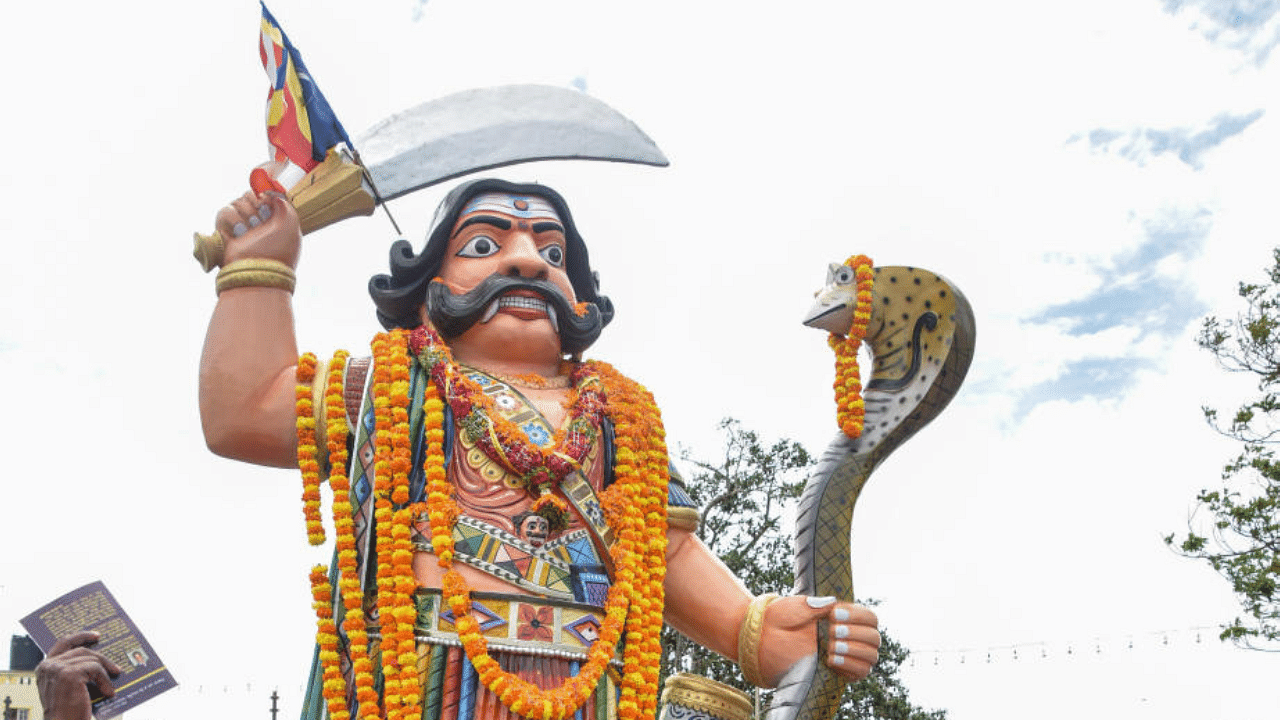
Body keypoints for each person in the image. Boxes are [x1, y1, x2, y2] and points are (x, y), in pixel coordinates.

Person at [203, 177, 878, 720]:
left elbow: (661, 549)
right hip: (412, 676)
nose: (526, 260)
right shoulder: (387, 382)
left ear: (580, 295)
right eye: (482, 245)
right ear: (426, 285)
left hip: (585, 687)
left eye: (553, 254)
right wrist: (259, 268)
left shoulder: (622, 413)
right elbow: (244, 410)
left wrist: (750, 626)